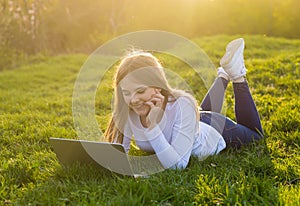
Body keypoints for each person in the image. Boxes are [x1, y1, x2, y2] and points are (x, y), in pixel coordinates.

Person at [104, 38, 264, 169]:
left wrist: (152, 128)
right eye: (126, 93)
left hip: (214, 130)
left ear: (157, 85)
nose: (133, 100)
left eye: (140, 91)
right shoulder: (130, 107)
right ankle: (223, 74)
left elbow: (178, 164)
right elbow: (119, 154)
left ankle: (237, 75)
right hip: (191, 122)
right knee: (193, 113)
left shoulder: (181, 104)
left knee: (256, 135)